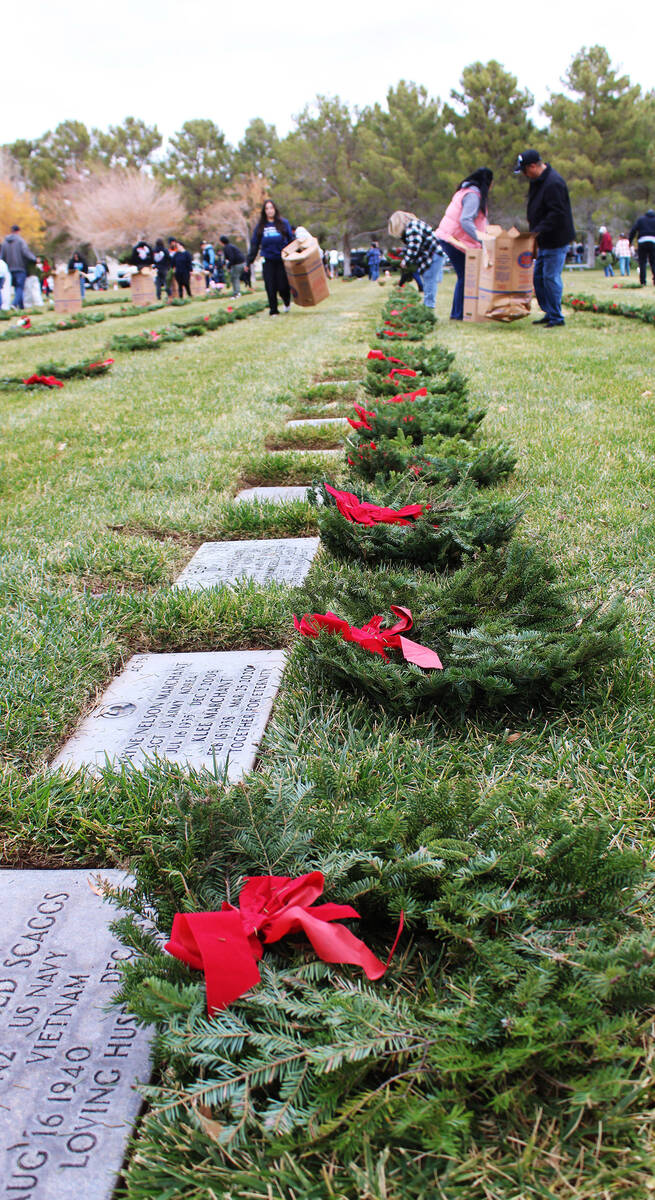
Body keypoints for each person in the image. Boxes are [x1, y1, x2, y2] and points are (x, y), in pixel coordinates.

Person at [513, 149, 575, 329]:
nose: (524, 175)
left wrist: (537, 231)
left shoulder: (553, 183)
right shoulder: (538, 181)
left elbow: (558, 213)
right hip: (542, 240)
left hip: (556, 239)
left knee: (550, 277)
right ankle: (549, 312)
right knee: (538, 278)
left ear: (533, 166)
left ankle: (557, 317)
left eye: (524, 171)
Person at [434, 168, 493, 319]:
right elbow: (465, 220)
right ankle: (458, 314)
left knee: (465, 276)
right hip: (453, 239)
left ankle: (459, 313)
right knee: (465, 276)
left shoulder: (465, 191)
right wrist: (481, 238)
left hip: (450, 237)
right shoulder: (473, 195)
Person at [387, 212, 444, 311]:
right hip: (431, 255)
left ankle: (429, 307)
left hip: (432, 256)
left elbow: (414, 246)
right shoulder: (415, 225)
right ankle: (427, 305)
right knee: (428, 280)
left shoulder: (412, 227)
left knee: (429, 281)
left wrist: (406, 261)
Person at [247, 199, 295, 315]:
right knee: (270, 285)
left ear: (275, 209)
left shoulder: (284, 223)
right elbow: (255, 244)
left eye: (271, 208)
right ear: (264, 211)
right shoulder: (261, 226)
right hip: (268, 259)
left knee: (283, 286)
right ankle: (273, 310)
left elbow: (291, 240)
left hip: (282, 260)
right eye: (267, 209)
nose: (269, 211)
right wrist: (249, 261)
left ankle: (286, 301)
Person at [1, 225, 36, 309]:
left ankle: (21, 306)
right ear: (18, 231)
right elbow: (26, 252)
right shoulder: (20, 241)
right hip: (20, 268)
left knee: (13, 288)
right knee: (20, 287)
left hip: (9, 269)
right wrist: (34, 259)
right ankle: (14, 304)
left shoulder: (5, 242)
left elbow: (2, 256)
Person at [628, 208, 655, 286]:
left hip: (642, 241)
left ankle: (643, 282)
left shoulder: (641, 220)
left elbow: (633, 230)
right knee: (653, 262)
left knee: (642, 262)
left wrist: (630, 241)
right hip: (653, 241)